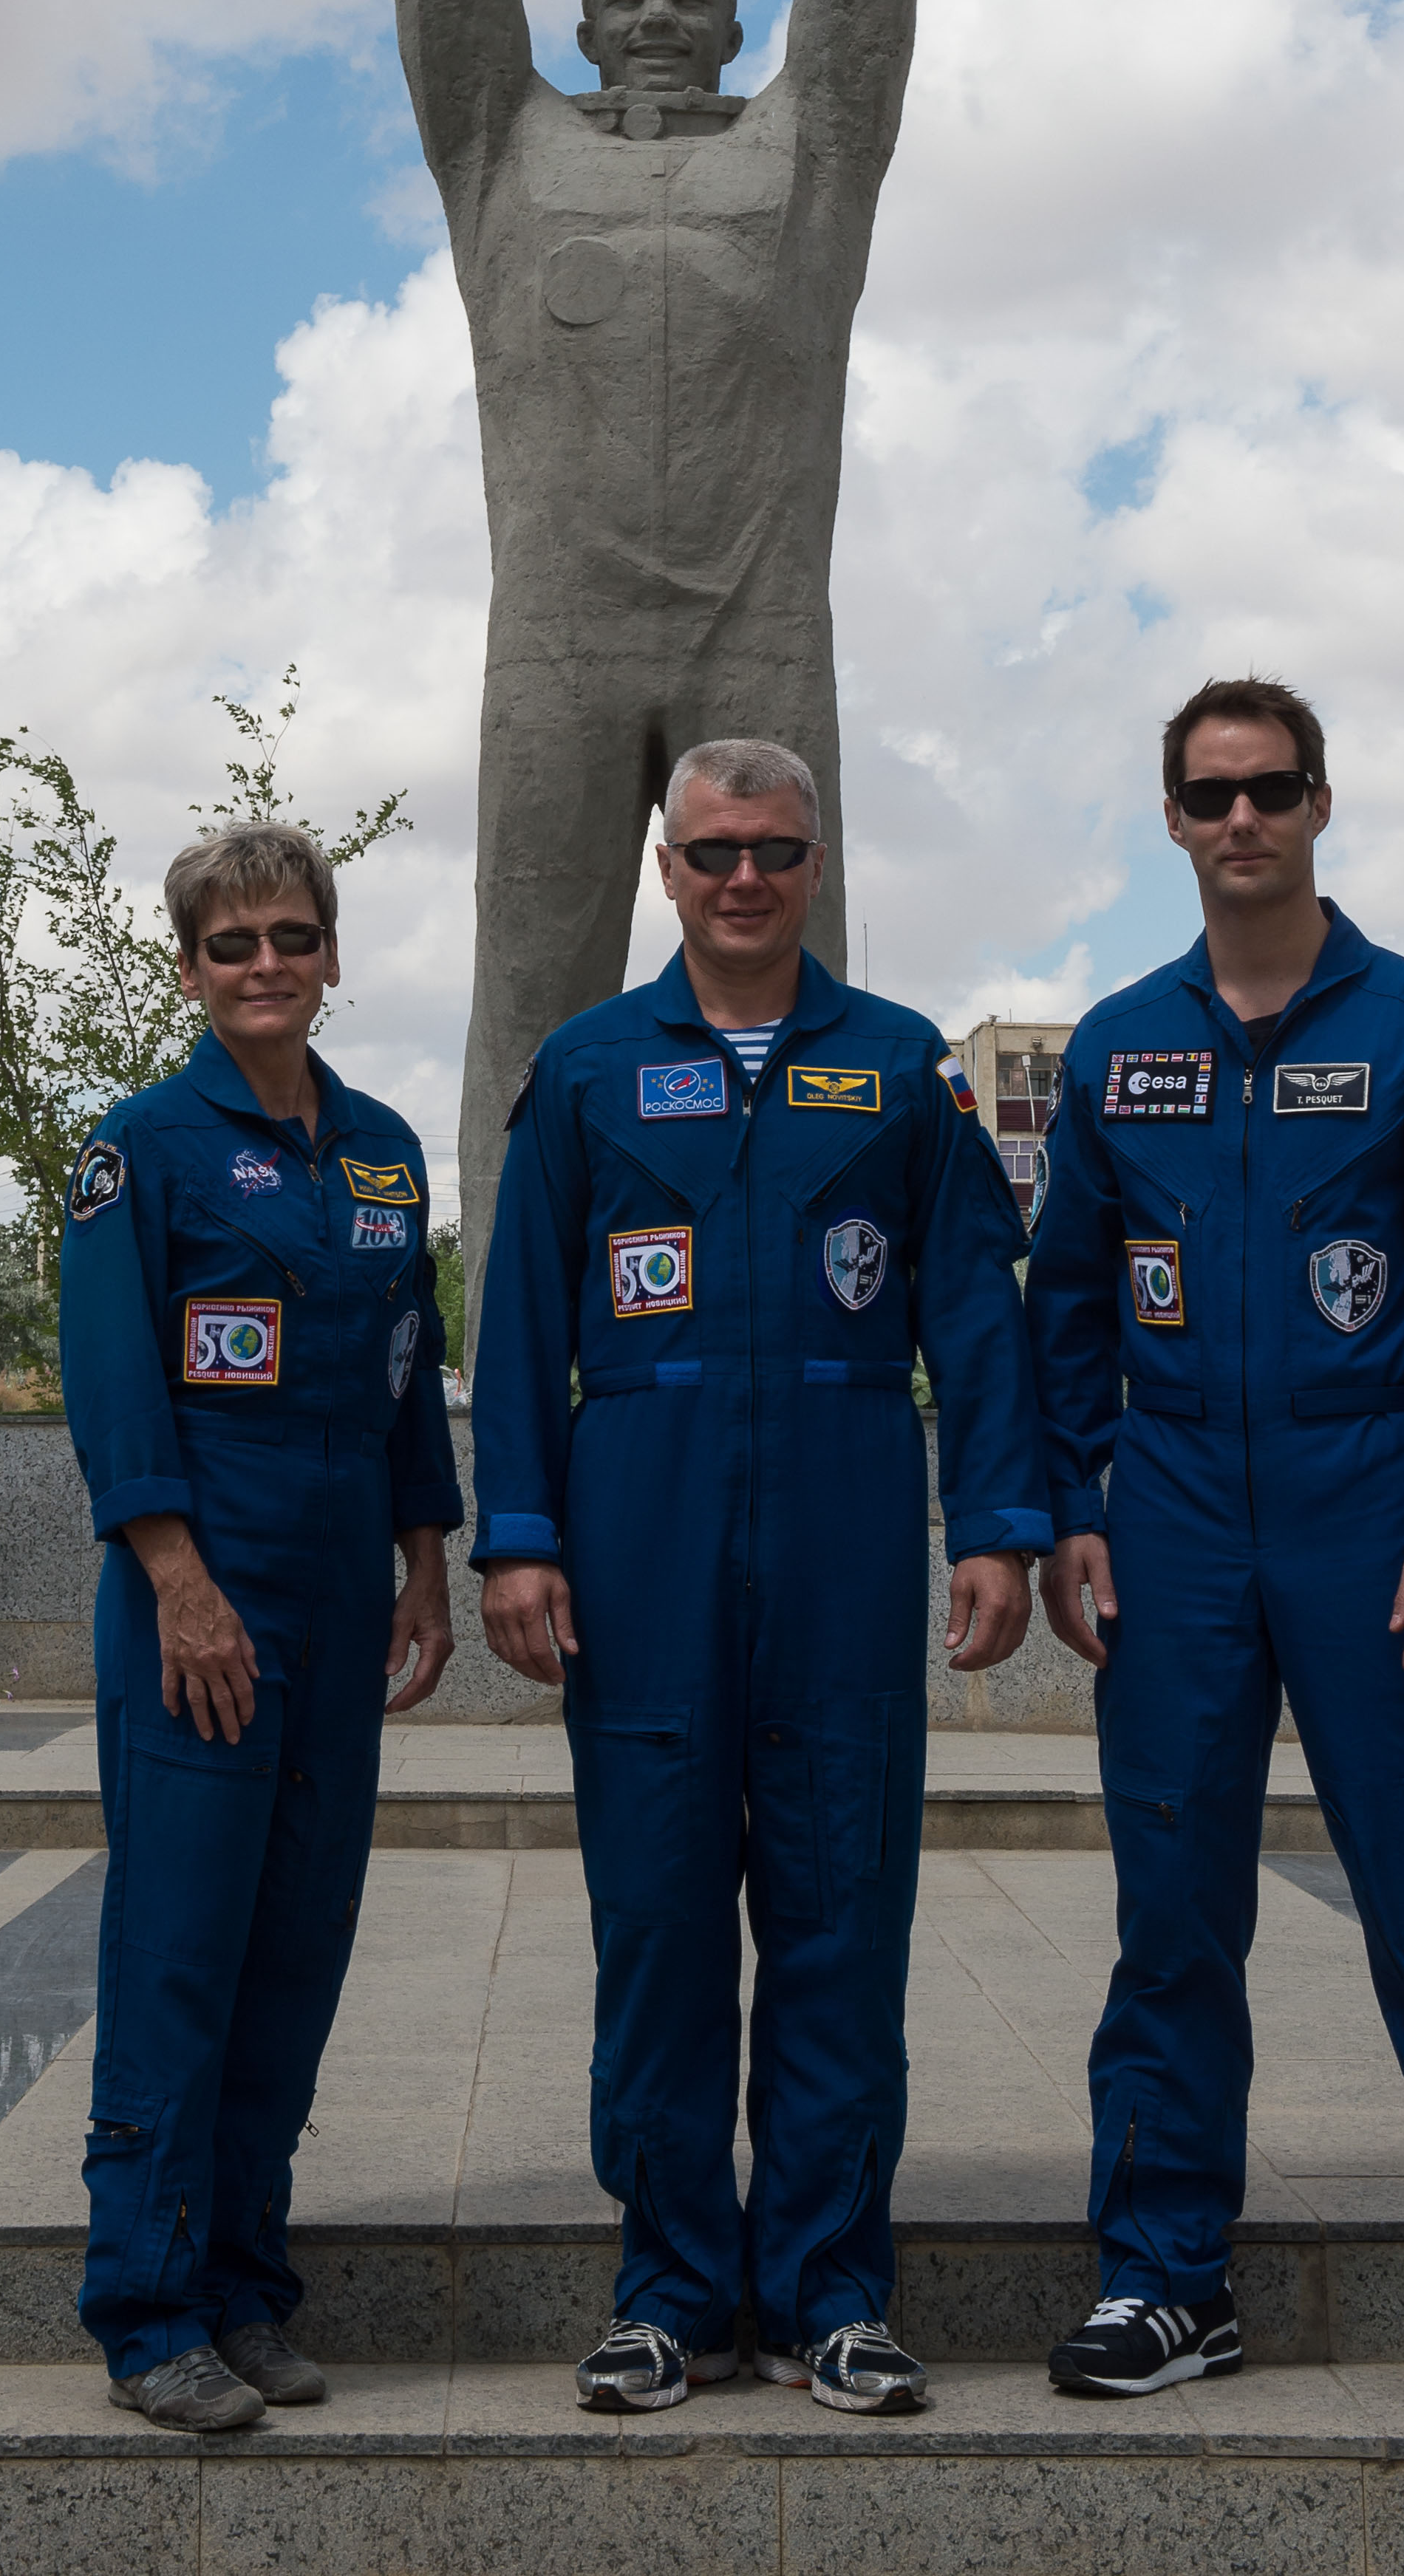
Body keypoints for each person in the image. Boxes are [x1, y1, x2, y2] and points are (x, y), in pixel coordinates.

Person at [471, 737, 1048, 2415]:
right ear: (665, 865)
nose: (743, 877)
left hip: (844, 1535)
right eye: (713, 849)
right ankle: (664, 2289)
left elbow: (976, 1322)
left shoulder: (894, 1070)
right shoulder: (582, 1068)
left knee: (838, 1927)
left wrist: (997, 1520)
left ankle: (827, 2291)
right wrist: (517, 1533)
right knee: (654, 1928)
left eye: (774, 850)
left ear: (814, 863)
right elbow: (513, 1333)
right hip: (636, 1537)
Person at [389, 0, 921, 1326]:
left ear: (741, 15)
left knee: (802, 1014)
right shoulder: (501, 148)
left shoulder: (810, 153)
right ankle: (507, 1352)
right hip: (554, 636)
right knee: (529, 1012)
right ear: (577, 19)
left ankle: (821, 1322)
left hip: (757, 625)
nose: (656, 13)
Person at [1026, 678, 1404, 2424]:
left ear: (1319, 803)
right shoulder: (1117, 1044)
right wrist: (1075, 1506)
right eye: (1208, 794)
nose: (1239, 819)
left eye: (1268, 789)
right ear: (1171, 819)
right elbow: (1062, 1304)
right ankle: (1166, 2274)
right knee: (1170, 1918)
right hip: (1174, 1518)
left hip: (1368, 1516)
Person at [59, 820, 462, 2432]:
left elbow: (401, 1370)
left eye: (292, 937)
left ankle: (244, 2285)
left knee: (294, 1950)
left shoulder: (379, 1153)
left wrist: (423, 1558)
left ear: (332, 955)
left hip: (336, 1587)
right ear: (189, 967)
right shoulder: (139, 1145)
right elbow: (113, 1381)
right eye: (232, 944)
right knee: (179, 1950)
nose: (266, 965)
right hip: (198, 1597)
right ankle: (147, 2305)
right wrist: (176, 1578)